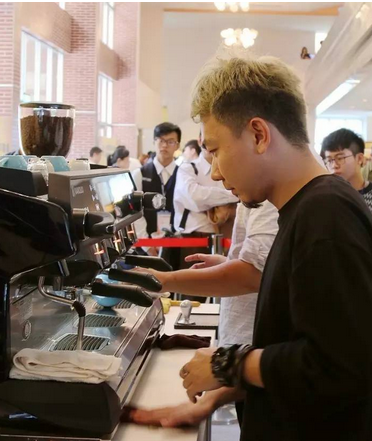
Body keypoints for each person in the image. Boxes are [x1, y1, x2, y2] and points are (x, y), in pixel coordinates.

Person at [177, 56, 372, 441]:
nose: (215, 173)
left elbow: (338, 367)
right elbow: (295, 347)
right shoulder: (305, 210)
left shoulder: (326, 215)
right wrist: (223, 392)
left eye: (216, 150)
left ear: (258, 134)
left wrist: (229, 364)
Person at [129, 198, 278, 428]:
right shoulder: (265, 199)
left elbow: (252, 274)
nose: (216, 174)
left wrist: (165, 280)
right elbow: (267, 270)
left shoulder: (284, 203)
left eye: (217, 159)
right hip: (250, 379)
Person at [171, 142, 239, 273]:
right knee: (192, 287)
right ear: (200, 139)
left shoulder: (231, 168)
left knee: (222, 286)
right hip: (193, 237)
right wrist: (234, 194)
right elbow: (195, 197)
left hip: (227, 236)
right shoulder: (188, 167)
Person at [321, 129, 372, 232]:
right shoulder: (323, 196)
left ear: (359, 158)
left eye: (340, 158)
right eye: (329, 160)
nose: (334, 165)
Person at [131, 122, 181, 256]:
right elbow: (135, 212)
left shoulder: (183, 174)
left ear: (177, 145)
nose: (164, 145)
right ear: (154, 141)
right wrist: (148, 246)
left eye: (170, 141)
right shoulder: (140, 174)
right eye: (161, 140)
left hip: (176, 243)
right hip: (145, 246)